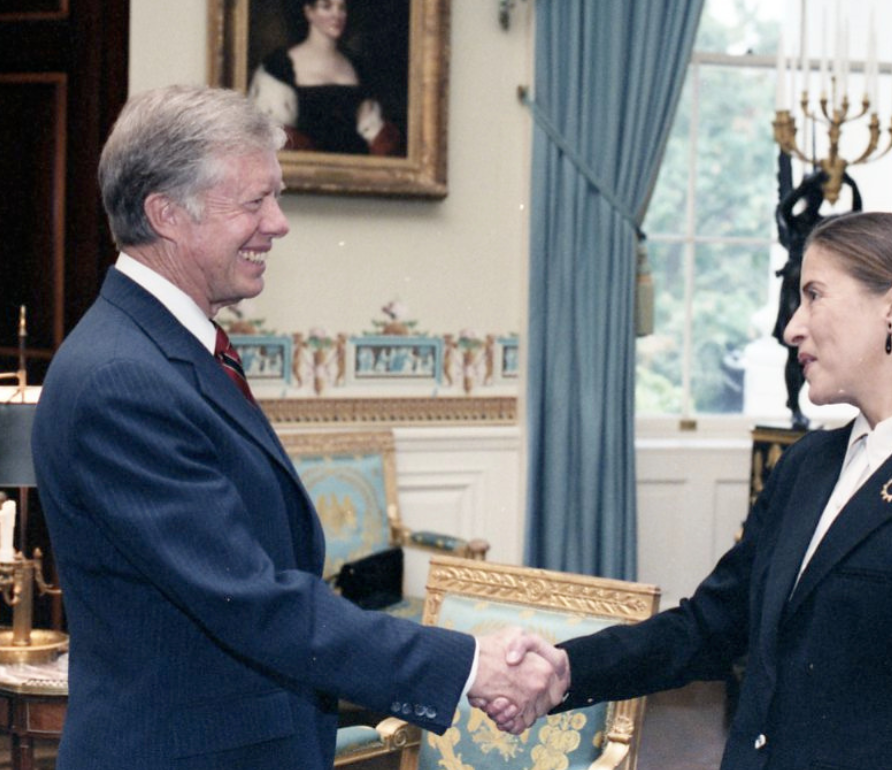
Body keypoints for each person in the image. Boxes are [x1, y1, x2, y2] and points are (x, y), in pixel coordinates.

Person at [30, 85, 564, 770]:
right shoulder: (122, 380)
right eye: (255, 202)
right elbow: (251, 600)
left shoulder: (166, 350)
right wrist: (466, 664)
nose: (278, 224)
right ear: (166, 214)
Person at [486, 212, 892, 769]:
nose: (791, 328)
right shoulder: (809, 463)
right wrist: (566, 669)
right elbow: (710, 626)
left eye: (814, 295)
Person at [248, 0, 402, 155]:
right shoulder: (280, 66)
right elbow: (269, 136)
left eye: (342, 8)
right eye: (327, 7)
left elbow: (374, 133)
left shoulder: (358, 66)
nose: (337, 15)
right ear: (309, 12)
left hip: (356, 171)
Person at [772, 169, 861, 429]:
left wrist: (848, 181)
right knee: (794, 350)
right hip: (792, 287)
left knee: (811, 347)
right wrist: (803, 186)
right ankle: (795, 406)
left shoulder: (823, 227)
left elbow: (856, 215)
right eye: (815, 196)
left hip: (813, 291)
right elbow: (782, 210)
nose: (819, 201)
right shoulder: (794, 224)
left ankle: (798, 403)